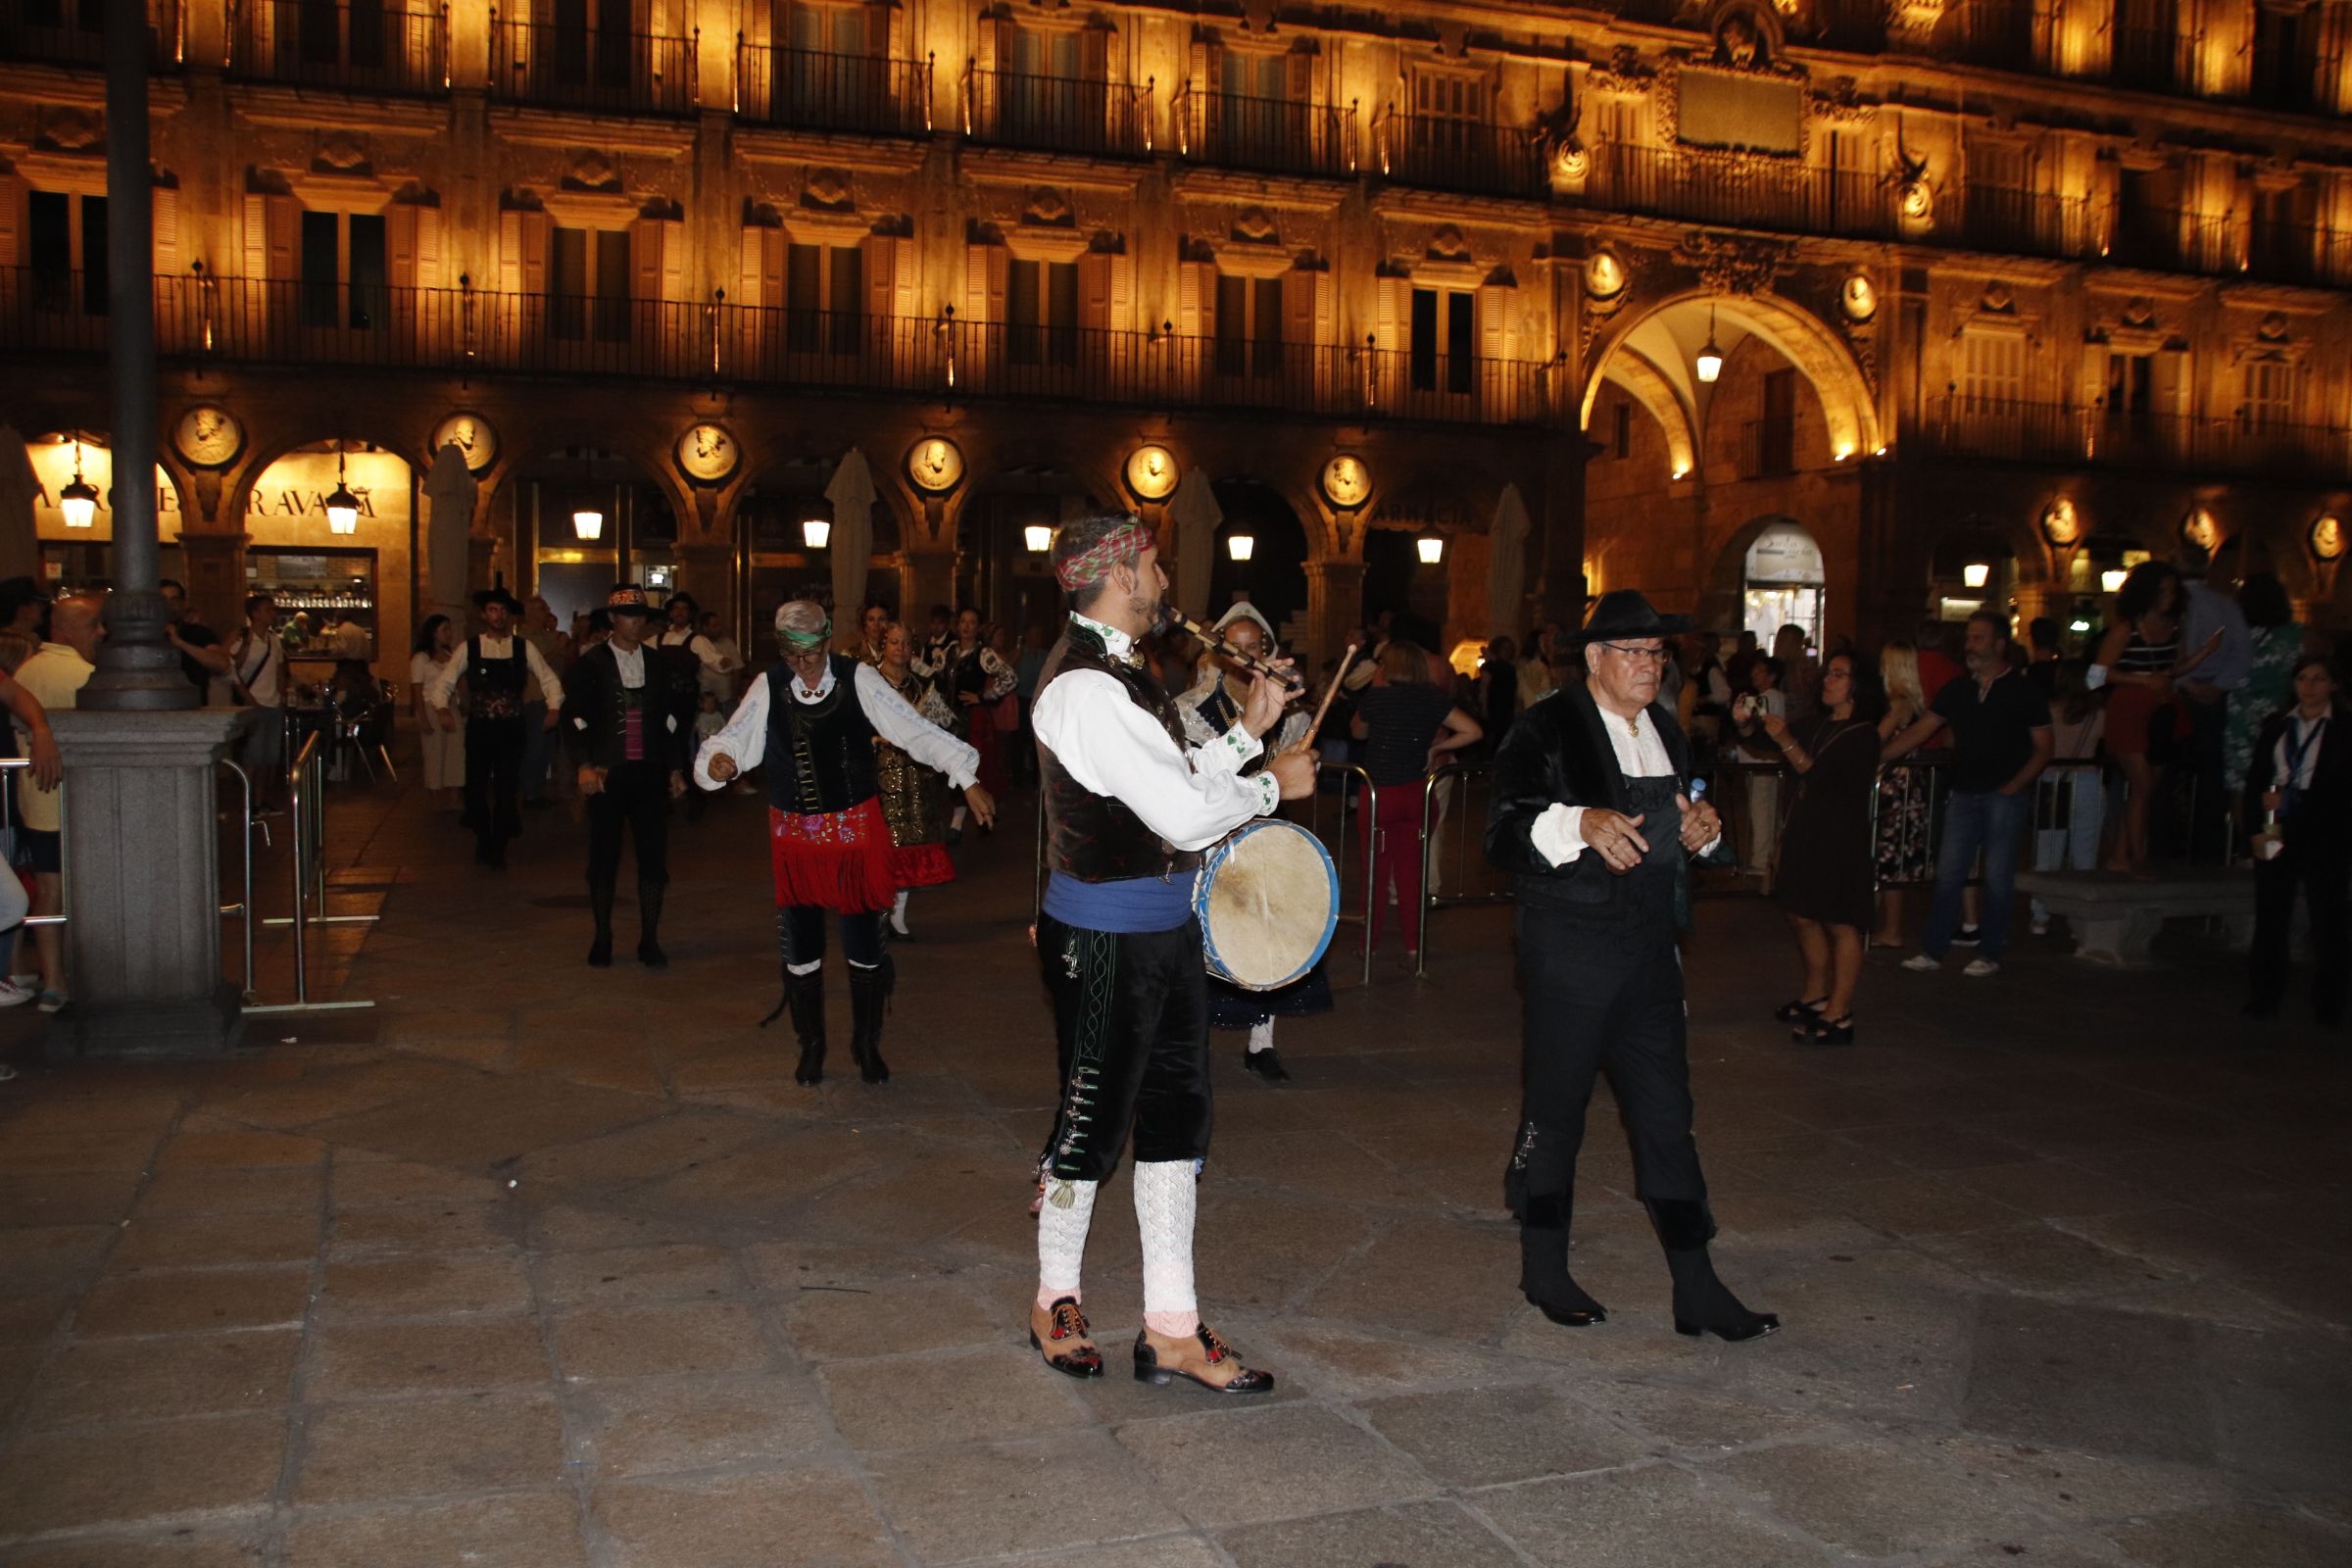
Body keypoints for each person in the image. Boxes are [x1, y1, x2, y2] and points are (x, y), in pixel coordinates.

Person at [1026, 512, 1313, 1393]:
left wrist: (1250, 726)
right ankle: (1054, 1300)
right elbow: (1185, 817)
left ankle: (1174, 1328)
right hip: (1106, 935)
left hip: (1161, 925)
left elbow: (1176, 782)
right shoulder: (1084, 687)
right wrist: (1273, 783)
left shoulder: (1126, 672)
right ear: (1116, 575)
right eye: (1152, 566)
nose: (1161, 582)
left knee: (1176, 1123)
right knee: (1091, 1123)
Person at [1485, 589, 1775, 1342]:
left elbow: (1682, 833)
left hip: (1649, 957)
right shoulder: (1545, 727)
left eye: (1658, 654)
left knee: (1667, 1119)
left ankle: (1697, 1284)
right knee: (1557, 1116)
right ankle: (1543, 1267)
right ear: (1595, 659)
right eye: (1635, 653)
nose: (1651, 667)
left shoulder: (1669, 734)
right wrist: (1577, 819)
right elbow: (1503, 831)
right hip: (1569, 954)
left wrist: (1706, 835)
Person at [695, 601, 990, 1085]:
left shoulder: (860, 679)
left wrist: (966, 776)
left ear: (827, 642)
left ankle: (866, 1045)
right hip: (796, 840)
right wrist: (718, 762)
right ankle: (811, 1045)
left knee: (865, 944)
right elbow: (735, 738)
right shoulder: (769, 685)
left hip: (856, 833)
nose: (802, 666)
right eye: (792, 656)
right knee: (800, 945)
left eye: (809, 656)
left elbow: (914, 730)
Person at [1179, 603, 1326, 1083]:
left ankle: (1261, 1043)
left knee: (1271, 935)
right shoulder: (1189, 710)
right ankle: (1188, 1043)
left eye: (1255, 647)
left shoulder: (1293, 713)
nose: (1245, 656)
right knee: (1201, 941)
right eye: (1235, 648)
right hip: (1210, 840)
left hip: (1269, 838)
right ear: (1217, 654)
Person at [1890, 610, 2055, 978]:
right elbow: (1923, 729)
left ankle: (1990, 950)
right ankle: (1934, 947)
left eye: (1978, 638)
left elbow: (2044, 746)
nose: (1970, 645)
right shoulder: (1959, 689)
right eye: (1968, 638)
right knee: (1949, 872)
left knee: (1997, 875)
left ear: (1999, 644)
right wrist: (1880, 755)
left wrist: (2015, 785)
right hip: (1964, 792)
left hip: (2003, 794)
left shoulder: (2023, 690)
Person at [1760, 651, 1886, 1045]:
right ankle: (1815, 995)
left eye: (1838, 675)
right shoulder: (1818, 724)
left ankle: (1839, 1011)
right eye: (1828, 674)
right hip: (1805, 831)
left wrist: (1784, 741)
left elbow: (1820, 776)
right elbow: (1774, 737)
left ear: (1857, 686)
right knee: (1801, 913)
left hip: (1838, 838)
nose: (1827, 681)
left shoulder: (1863, 733)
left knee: (1839, 920)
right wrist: (1751, 719)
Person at [570, 585, 687, 968]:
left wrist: (674, 768)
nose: (636, 623)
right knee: (603, 859)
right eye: (628, 616)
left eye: (641, 617)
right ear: (612, 620)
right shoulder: (591, 663)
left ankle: (649, 938)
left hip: (649, 774)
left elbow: (670, 721)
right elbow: (576, 720)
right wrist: (585, 764)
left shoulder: (657, 664)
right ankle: (602, 935)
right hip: (608, 773)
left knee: (653, 859)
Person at [1349, 641, 1482, 963]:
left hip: (1378, 795)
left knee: (1376, 873)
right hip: (1415, 795)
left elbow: (1357, 733)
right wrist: (1435, 749)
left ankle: (1370, 944)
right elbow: (1473, 731)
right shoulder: (1432, 699)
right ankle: (1413, 945)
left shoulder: (1376, 699)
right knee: (1411, 873)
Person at [425, 582, 564, 868]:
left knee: (506, 788)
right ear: (484, 614)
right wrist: (441, 708)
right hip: (480, 728)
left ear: (510, 615)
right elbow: (444, 682)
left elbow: (549, 678)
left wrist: (553, 707)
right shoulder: (469, 648)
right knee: (475, 789)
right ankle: (482, 837)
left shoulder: (523, 647)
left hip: (512, 728)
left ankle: (497, 846)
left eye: (502, 610)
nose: (498, 615)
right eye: (492, 610)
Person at [2243, 655, 2350, 1024]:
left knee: (2329, 916)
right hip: (2276, 826)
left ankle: (2329, 1002)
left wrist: (2296, 798)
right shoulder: (2277, 725)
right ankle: (2264, 994)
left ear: (2333, 685)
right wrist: (2255, 829)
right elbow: (2256, 778)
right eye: (2303, 678)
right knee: (2271, 912)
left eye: (2319, 679)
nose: (2310, 686)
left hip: (2324, 831)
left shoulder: (2342, 729)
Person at [2091, 563, 2215, 876]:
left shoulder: (2175, 627)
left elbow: (2173, 669)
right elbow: (2095, 675)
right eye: (2161, 590)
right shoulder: (2126, 629)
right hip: (2130, 710)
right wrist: (2144, 680)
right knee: (2143, 787)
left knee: (2144, 790)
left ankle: (2119, 856)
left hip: (2161, 711)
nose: (2168, 596)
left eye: (2172, 590)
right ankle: (2136, 857)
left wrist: (2204, 654)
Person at [10, 593, 93, 1014]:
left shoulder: (28, 669)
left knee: (47, 891)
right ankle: (81, 975)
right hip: (79, 799)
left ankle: (53, 981)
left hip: (36, 799)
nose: (99, 633)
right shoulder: (85, 675)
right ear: (65, 630)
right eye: (91, 626)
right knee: (83, 890)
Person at [871, 620, 960, 939]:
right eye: (894, 642)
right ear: (884, 644)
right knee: (880, 848)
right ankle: (878, 911)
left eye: (906, 643)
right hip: (877, 778)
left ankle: (898, 913)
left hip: (915, 778)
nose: (900, 648)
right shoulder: (869, 683)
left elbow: (946, 727)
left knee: (910, 847)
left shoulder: (922, 686)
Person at [2176, 545, 2253, 858]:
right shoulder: (2225, 605)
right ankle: (2207, 849)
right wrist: (2220, 686)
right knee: (2211, 776)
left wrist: (2184, 682)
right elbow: (2243, 652)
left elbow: (2168, 653)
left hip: (2180, 693)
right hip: (2213, 695)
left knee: (2172, 773)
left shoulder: (2172, 604)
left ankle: (2171, 845)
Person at [2029, 660, 2108, 937]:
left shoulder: (2048, 712)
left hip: (2053, 780)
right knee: (2084, 854)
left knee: (2047, 852)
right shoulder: (2098, 713)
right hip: (2086, 779)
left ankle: (2040, 914)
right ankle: (2081, 918)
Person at [2223, 573, 2301, 822]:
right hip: (2279, 716)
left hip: (2240, 718)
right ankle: (2270, 840)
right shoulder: (2293, 637)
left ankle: (2241, 844)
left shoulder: (2238, 635)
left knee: (2241, 783)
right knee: (2276, 778)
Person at [1872, 640, 1933, 948]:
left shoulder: (1900, 703)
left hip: (1898, 789)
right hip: (1899, 787)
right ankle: (1875, 924)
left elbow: (1876, 740)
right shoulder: (1908, 702)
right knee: (1883, 860)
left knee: (1890, 861)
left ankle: (1891, 929)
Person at [944, 607, 1016, 835]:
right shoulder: (950, 651)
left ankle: (978, 817)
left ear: (978, 627)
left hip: (974, 719)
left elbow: (1010, 677)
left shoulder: (983, 654)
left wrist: (983, 696)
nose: (966, 626)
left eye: (971, 622)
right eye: (963, 621)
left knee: (977, 769)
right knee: (954, 767)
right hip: (952, 719)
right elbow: (934, 676)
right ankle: (961, 820)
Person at [226, 594, 288, 811]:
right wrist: (250, 701)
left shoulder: (273, 640)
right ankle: (246, 802)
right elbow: (232, 671)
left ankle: (259, 800)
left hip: (273, 703)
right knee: (252, 757)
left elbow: (280, 669)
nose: (273, 613)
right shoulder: (243, 639)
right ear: (255, 613)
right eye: (268, 609)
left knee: (267, 759)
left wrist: (281, 695)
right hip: (254, 704)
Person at [410, 615, 466, 811]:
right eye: (445, 630)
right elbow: (417, 689)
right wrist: (422, 717)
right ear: (434, 632)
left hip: (451, 704)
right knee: (435, 751)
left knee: (456, 749)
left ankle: (454, 794)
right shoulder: (421, 658)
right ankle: (435, 795)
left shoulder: (450, 656)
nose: (448, 634)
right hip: (431, 705)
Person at [518, 595, 567, 808]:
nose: (545, 613)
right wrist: (557, 649)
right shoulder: (524, 638)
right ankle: (530, 792)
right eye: (541, 609)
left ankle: (537, 789)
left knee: (547, 747)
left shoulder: (546, 636)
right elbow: (536, 664)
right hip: (535, 698)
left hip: (552, 699)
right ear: (530, 612)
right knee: (535, 746)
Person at [159, 578, 229, 701]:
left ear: (183, 603)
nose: (168, 604)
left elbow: (222, 665)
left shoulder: (199, 632)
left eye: (174, 599)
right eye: (163, 599)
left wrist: (180, 643)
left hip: (191, 707)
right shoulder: (141, 634)